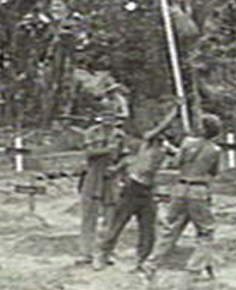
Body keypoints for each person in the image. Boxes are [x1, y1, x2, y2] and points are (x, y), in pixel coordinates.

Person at [93, 101, 181, 272]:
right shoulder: (148, 140)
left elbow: (181, 156)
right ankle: (102, 255)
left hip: (148, 190)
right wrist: (174, 112)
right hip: (133, 187)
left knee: (148, 230)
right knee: (117, 225)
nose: (167, 132)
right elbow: (159, 129)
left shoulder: (165, 146)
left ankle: (142, 261)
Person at [141, 112, 223, 284]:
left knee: (170, 230)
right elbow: (214, 172)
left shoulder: (187, 142)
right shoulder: (215, 150)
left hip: (179, 189)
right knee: (206, 232)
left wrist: (175, 150)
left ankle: (151, 264)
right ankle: (193, 271)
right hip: (198, 191)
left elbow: (176, 163)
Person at [76, 113, 126, 265]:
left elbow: (126, 157)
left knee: (111, 217)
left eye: (111, 120)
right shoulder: (92, 133)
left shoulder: (120, 135)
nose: (108, 123)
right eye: (105, 120)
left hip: (111, 177)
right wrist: (107, 150)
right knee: (88, 216)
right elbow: (88, 153)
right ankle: (86, 253)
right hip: (93, 175)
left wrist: (117, 169)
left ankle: (107, 253)